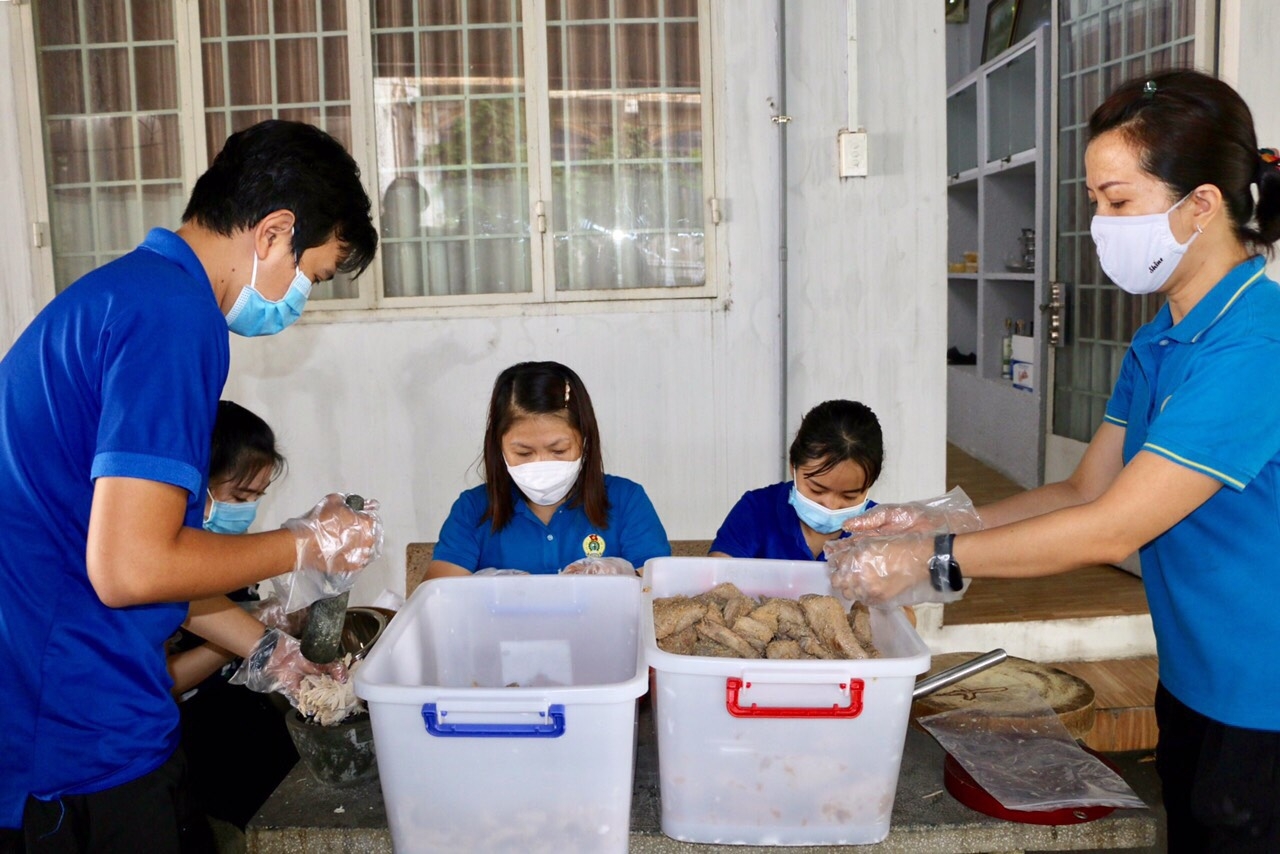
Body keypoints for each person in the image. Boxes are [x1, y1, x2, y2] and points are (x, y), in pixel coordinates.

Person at [828, 70, 1280, 851]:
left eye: (1119, 201)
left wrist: (932, 561)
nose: (1101, 224)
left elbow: (1111, 529)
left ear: (1201, 204)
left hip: (1262, 696)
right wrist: (927, 521)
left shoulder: (1253, 347)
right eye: (1095, 201)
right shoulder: (1161, 338)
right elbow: (1083, 487)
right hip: (1195, 674)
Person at [0, 120, 383, 852]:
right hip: (72, 732)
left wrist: (272, 653)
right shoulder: (174, 316)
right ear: (274, 233)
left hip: (61, 700)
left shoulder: (129, 292)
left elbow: (135, 553)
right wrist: (305, 543)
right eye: (313, 275)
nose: (301, 298)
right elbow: (132, 568)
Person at [165, 400, 301, 836]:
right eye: (240, 497)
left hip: (248, 724)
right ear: (193, 485)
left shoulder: (225, 555)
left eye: (257, 498)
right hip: (198, 748)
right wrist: (244, 639)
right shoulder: (155, 571)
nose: (248, 511)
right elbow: (166, 680)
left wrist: (283, 622)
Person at [426, 361, 671, 578]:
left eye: (559, 450)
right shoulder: (473, 509)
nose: (541, 464)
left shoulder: (626, 500)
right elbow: (436, 599)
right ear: (498, 447)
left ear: (585, 441)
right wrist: (489, 591)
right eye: (523, 453)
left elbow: (662, 596)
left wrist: (626, 578)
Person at [710, 399, 882, 560]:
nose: (831, 505)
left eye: (849, 496)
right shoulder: (757, 511)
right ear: (793, 466)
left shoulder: (881, 530)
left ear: (869, 484)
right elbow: (719, 577)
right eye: (817, 490)